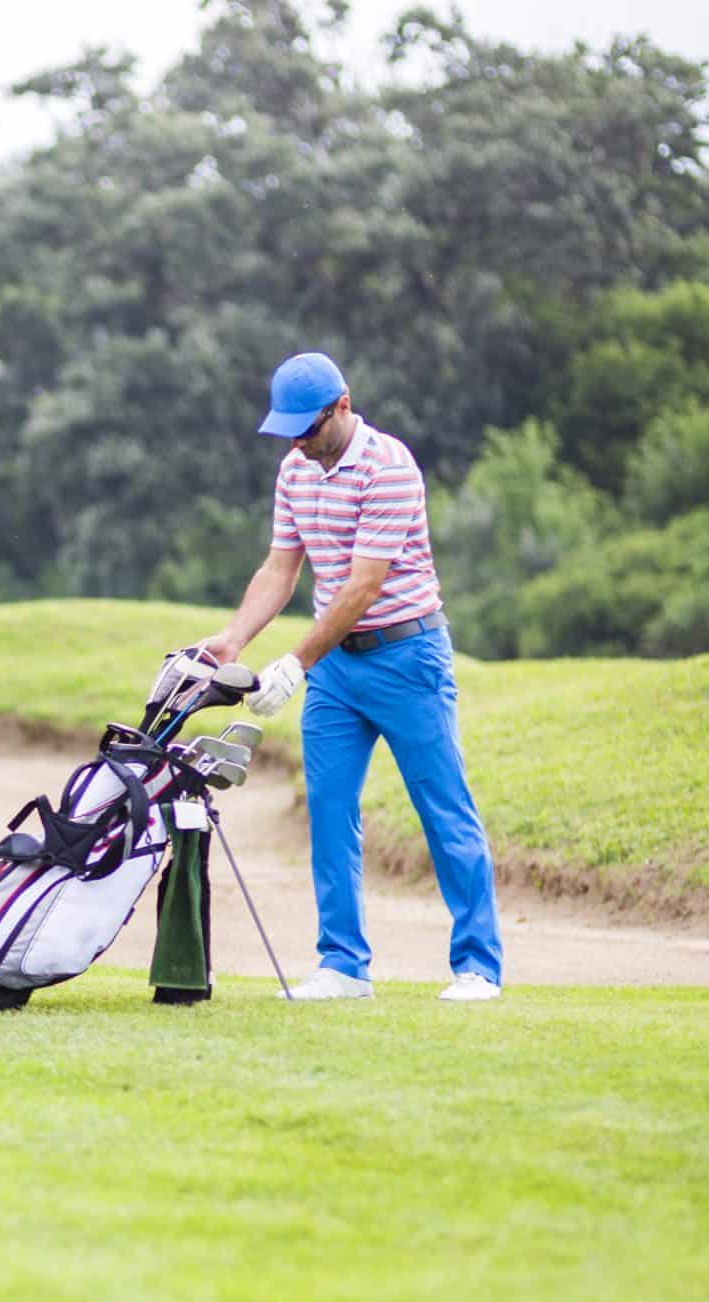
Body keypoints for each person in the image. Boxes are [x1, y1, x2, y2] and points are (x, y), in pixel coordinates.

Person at [198, 352, 504, 1002]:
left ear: (342, 406)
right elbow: (281, 569)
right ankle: (343, 965)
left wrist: (295, 661)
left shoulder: (389, 467)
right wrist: (234, 637)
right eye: (290, 433)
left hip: (407, 657)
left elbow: (365, 584)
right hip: (338, 671)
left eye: (308, 429)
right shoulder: (295, 471)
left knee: (442, 805)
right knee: (330, 808)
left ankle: (478, 965)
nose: (300, 444)